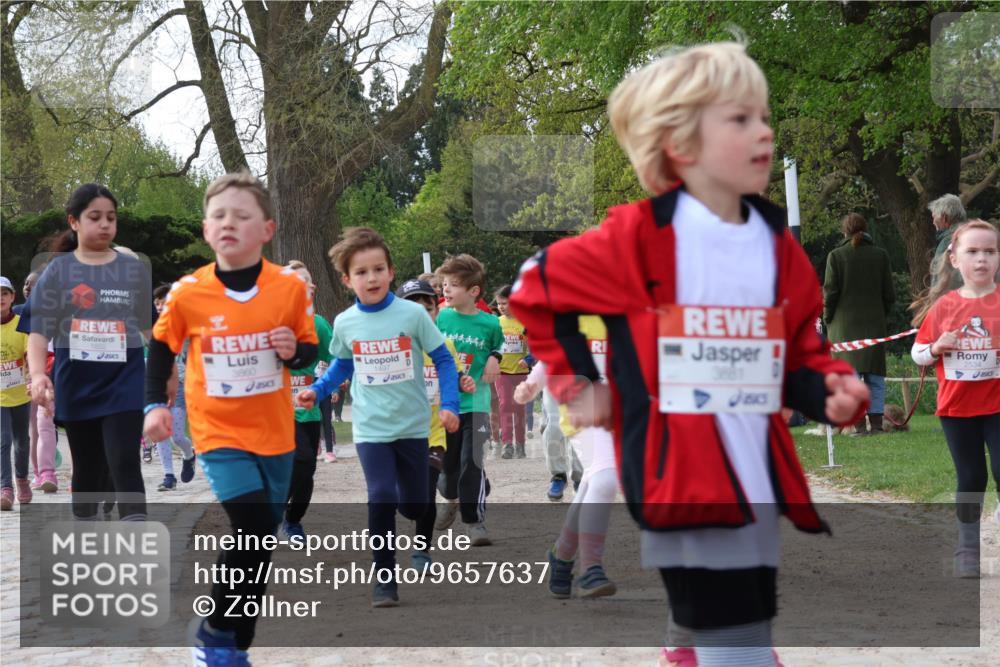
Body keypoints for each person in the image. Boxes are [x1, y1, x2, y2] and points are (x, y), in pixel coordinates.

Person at [510, 42, 868, 667]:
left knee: (741, 632)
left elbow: (795, 350)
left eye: (763, 115)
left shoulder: (774, 243)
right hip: (677, 475)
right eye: (740, 119)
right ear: (679, 145)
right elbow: (534, 290)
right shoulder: (635, 241)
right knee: (739, 644)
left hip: (755, 474)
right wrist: (576, 382)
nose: (765, 130)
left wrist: (828, 387)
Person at [144, 171, 319, 666]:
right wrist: (155, 404)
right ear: (205, 229)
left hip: (276, 432)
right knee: (254, 522)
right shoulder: (187, 293)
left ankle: (234, 648)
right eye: (219, 215)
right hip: (218, 431)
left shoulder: (287, 288)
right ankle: (215, 631)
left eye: (241, 216)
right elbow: (160, 347)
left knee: (260, 542)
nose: (228, 224)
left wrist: (293, 351)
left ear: (267, 228)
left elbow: (307, 350)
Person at [296, 227, 460, 607]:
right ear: (347, 279)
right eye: (361, 272)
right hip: (371, 428)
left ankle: (413, 503)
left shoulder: (413, 315)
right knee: (381, 495)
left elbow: (444, 361)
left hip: (414, 425)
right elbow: (340, 366)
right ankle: (384, 579)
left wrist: (449, 405)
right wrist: (317, 391)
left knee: (415, 505)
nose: (371, 278)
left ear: (390, 272)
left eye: (378, 269)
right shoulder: (345, 322)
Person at [25, 184, 152, 522]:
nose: (105, 224)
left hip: (124, 381)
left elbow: (152, 330)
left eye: (111, 217)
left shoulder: (133, 270)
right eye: (95, 217)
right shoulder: (57, 272)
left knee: (125, 459)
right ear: (74, 222)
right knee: (88, 471)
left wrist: (165, 372)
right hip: (77, 384)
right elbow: (38, 332)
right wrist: (38, 375)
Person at [910, 219, 1000, 579]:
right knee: (972, 477)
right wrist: (936, 347)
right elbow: (918, 354)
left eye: (990, 252)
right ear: (954, 259)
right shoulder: (945, 307)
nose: (982, 260)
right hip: (957, 408)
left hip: (997, 406)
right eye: (973, 252)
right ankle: (968, 550)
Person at [514, 317, 619, 599]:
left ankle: (562, 554)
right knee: (606, 477)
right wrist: (532, 383)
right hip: (583, 409)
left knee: (593, 482)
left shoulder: (634, 308)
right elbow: (555, 353)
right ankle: (591, 567)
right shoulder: (576, 313)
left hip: (628, 410)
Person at [396, 278, 475, 570]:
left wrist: (462, 381)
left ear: (436, 312)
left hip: (432, 434)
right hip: (396, 435)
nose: (420, 314)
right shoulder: (393, 348)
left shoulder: (445, 346)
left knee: (425, 496)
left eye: (427, 308)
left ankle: (421, 551)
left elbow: (452, 376)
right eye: (411, 308)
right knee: (406, 503)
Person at [433, 254, 503, 546]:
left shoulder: (490, 323)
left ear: (474, 291)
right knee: (448, 473)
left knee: (471, 462)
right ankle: (451, 499)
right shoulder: (440, 317)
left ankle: (475, 523)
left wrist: (494, 358)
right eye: (444, 284)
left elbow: (498, 346)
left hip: (476, 404)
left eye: (454, 285)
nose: (446, 290)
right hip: (445, 405)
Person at [823, 213, 895, 435]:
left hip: (843, 328)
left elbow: (830, 294)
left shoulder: (836, 256)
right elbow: (889, 294)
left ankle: (857, 427)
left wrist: (827, 319)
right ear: (865, 230)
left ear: (844, 231)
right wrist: (882, 317)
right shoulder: (881, 255)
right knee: (875, 376)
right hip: (874, 326)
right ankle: (876, 425)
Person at [281, 260, 333, 542]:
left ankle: (292, 519)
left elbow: (335, 356)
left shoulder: (318, 324)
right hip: (274, 408)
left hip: (307, 408)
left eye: (307, 280)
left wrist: (329, 378)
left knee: (305, 467)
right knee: (285, 462)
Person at [151, 284, 196, 491]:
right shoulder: (151, 327)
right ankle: (169, 476)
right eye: (157, 302)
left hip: (180, 386)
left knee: (177, 435)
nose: (160, 306)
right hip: (157, 384)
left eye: (164, 301)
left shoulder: (187, 325)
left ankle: (189, 455)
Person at [1, 276, 32, 510]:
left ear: (13, 297)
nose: (0, 298)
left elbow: (31, 356)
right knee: (3, 441)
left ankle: (22, 479)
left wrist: (33, 378)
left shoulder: (22, 323)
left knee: (22, 441)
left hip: (21, 392)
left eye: (4, 293)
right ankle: (5, 488)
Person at [495, 285, 530, 459]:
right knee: (505, 404)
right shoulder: (497, 322)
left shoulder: (525, 322)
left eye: (505, 303)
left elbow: (534, 346)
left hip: (521, 372)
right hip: (502, 372)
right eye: (499, 303)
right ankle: (507, 444)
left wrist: (529, 360)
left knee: (519, 408)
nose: (501, 307)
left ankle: (521, 444)